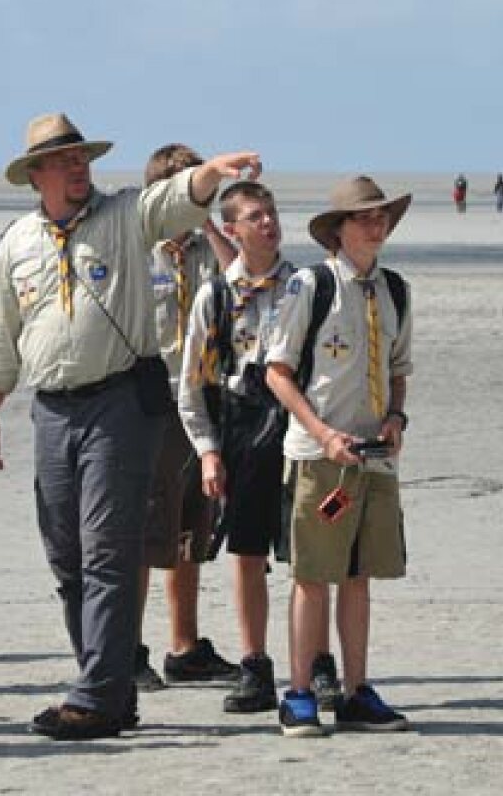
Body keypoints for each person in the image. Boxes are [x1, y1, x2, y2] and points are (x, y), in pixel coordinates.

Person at [0, 112, 260, 741]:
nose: (79, 169)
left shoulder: (126, 216)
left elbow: (174, 200)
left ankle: (97, 697)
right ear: (37, 174)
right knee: (65, 554)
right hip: (50, 408)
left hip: (120, 404)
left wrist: (212, 174)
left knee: (108, 549)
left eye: (84, 159)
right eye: (65, 161)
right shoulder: (15, 242)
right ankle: (109, 686)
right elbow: (2, 333)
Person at [262, 175, 415, 738]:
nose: (376, 226)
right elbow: (277, 372)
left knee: (359, 575)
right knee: (312, 574)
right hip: (318, 456)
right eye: (364, 217)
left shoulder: (395, 289)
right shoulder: (311, 285)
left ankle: (355, 691)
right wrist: (323, 433)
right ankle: (299, 693)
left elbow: (399, 368)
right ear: (338, 229)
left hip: (374, 458)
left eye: (382, 217)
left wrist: (396, 419)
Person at [177, 180, 301, 714]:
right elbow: (192, 383)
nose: (268, 223)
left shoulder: (304, 285)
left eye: (271, 213)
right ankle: (254, 665)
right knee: (246, 550)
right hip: (243, 429)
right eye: (255, 216)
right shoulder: (217, 296)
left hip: (298, 431)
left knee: (310, 554)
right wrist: (207, 450)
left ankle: (314, 665)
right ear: (231, 229)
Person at [135, 144, 241, 694]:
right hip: (151, 398)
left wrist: (209, 225)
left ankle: (186, 644)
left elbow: (241, 278)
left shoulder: (205, 249)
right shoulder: (140, 249)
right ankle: (128, 648)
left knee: (190, 532)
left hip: (200, 399)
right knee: (143, 532)